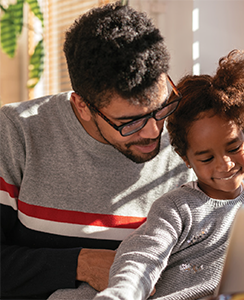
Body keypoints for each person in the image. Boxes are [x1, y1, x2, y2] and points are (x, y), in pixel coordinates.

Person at [0, 2, 195, 300]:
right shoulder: (16, 133)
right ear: (82, 105)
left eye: (160, 108)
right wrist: (81, 264)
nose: (154, 132)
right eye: (129, 122)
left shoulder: (187, 136)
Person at [94, 49, 244, 300]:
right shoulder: (176, 208)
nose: (225, 164)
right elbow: (143, 257)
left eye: (234, 147)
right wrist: (120, 294)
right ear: (186, 159)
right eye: (206, 158)